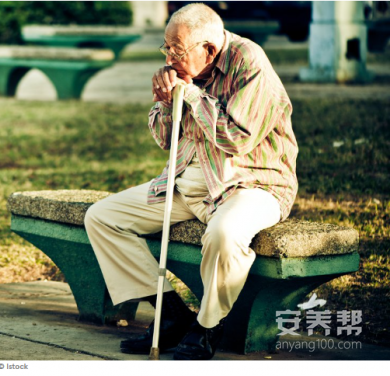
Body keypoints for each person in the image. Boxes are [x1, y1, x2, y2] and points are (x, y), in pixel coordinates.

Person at [84, 3, 298, 360]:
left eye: (176, 50)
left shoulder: (249, 62)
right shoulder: (184, 66)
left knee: (224, 234)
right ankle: (170, 315)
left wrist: (193, 94)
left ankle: (207, 325)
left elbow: (236, 139)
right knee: (103, 217)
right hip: (189, 181)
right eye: (166, 48)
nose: (169, 58)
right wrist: (168, 102)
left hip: (252, 184)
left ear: (209, 50)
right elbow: (165, 140)